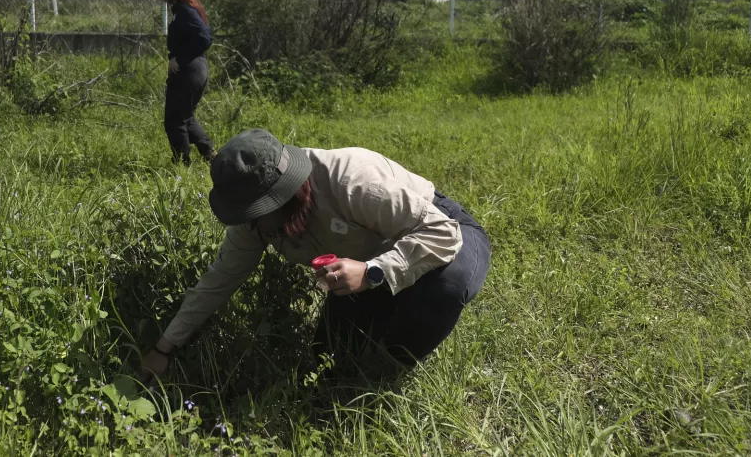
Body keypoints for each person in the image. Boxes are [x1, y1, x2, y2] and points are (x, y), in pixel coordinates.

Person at [140, 128, 491, 382]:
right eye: (247, 214)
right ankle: (389, 316)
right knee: (328, 357)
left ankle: (391, 370)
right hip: (367, 257)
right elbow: (218, 281)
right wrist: (163, 348)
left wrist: (372, 273)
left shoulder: (353, 180)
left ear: (287, 192)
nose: (256, 226)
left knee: (445, 286)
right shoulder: (252, 219)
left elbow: (443, 233)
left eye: (262, 211)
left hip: (443, 226)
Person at [148, 0, 215, 165]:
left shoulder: (185, 10)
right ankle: (210, 155)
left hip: (190, 71)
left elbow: (205, 38)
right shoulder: (184, 9)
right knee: (186, 117)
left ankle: (181, 167)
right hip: (196, 69)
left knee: (174, 121)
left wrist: (180, 59)